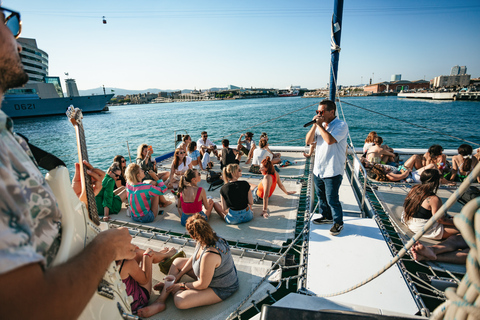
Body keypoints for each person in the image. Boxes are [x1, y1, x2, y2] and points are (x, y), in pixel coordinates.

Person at [0, 11, 137, 318]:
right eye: (6, 22)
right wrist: (105, 248)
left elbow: (40, 235)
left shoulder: (10, 138)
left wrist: (76, 198)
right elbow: (27, 310)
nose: (17, 40)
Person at [136, 214, 239, 317]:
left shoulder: (210, 255)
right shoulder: (204, 237)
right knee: (177, 262)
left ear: (192, 236)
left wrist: (182, 285)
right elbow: (195, 258)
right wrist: (178, 277)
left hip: (220, 287)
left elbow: (202, 284)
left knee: (180, 300)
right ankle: (161, 299)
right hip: (209, 275)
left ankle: (169, 288)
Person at [305, 99, 349, 235]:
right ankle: (326, 216)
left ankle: (338, 222)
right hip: (319, 169)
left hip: (333, 170)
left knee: (332, 199)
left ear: (331, 112)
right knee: (321, 196)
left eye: (321, 112)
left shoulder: (341, 125)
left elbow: (330, 140)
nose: (319, 114)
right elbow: (308, 141)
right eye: (317, 112)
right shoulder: (320, 126)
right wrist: (314, 126)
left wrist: (320, 126)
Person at [402, 169, 459, 240]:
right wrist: (457, 222)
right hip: (420, 227)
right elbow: (440, 220)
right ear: (436, 182)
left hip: (408, 221)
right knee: (464, 228)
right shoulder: (434, 199)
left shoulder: (414, 189)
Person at [118, 246, 177, 314]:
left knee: (137, 252)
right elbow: (145, 280)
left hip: (120, 299)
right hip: (134, 302)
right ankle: (163, 255)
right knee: (147, 255)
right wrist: (147, 257)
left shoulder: (107, 262)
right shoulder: (126, 263)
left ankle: (160, 255)